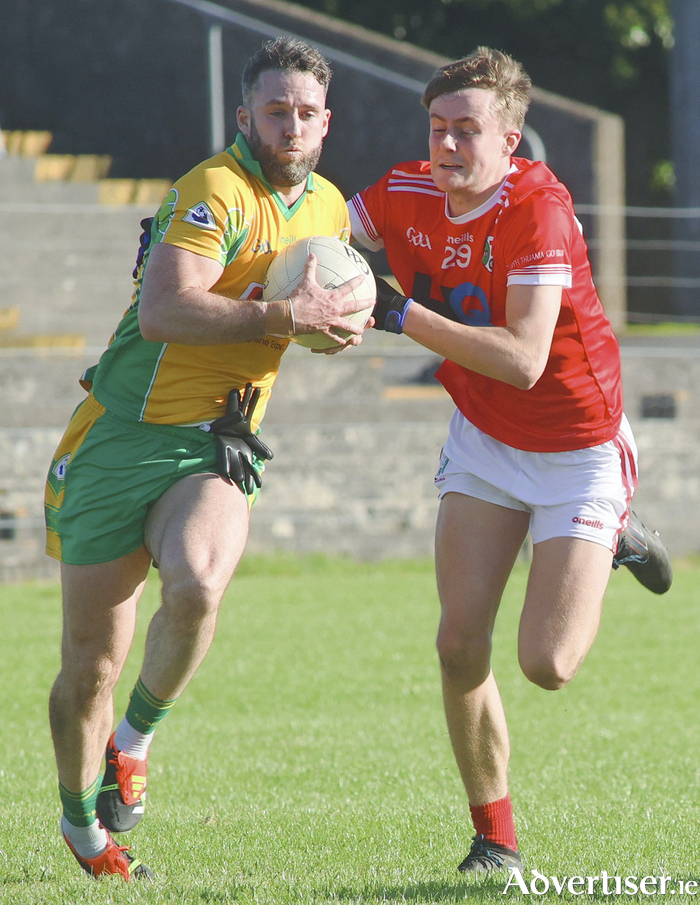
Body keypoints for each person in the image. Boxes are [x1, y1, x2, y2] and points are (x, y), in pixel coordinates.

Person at [45, 37, 372, 882]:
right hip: (121, 437)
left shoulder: (331, 209)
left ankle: (136, 738)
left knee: (196, 581)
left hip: (218, 438)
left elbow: (314, 313)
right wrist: (285, 318)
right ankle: (84, 828)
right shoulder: (212, 190)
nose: (290, 125)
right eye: (275, 110)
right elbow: (164, 311)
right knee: (90, 662)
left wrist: (334, 323)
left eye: (305, 113)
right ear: (244, 116)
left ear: (326, 123)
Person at [349, 47, 672, 874]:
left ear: (512, 138)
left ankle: (618, 531)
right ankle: (495, 839)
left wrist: (397, 314)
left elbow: (526, 358)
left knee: (548, 664)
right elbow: (313, 229)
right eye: (438, 130)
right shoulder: (405, 192)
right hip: (487, 439)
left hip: (577, 447)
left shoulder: (539, 207)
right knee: (459, 644)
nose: (448, 147)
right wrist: (221, 246)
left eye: (467, 131)